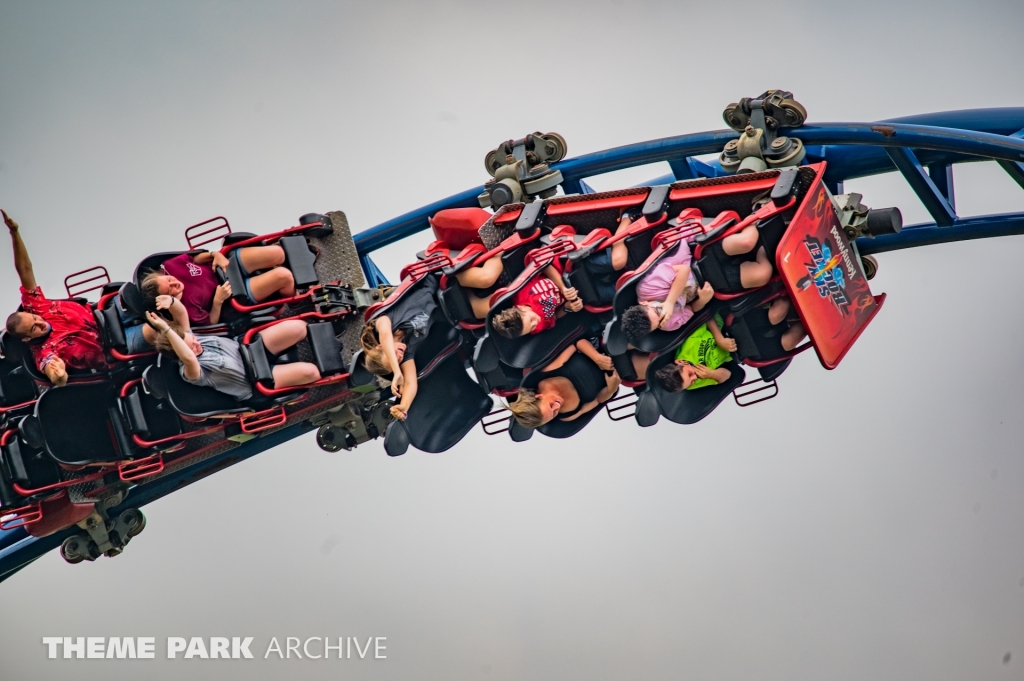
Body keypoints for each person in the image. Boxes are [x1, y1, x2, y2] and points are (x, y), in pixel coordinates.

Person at [3, 209, 109, 386]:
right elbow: (55, 375)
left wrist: (14, 232)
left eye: (35, 319)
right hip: (115, 345)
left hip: (107, 313)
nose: (40, 323)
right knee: (153, 331)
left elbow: (25, 269)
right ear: (27, 339)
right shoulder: (44, 353)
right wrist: (59, 376)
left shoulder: (37, 307)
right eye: (34, 328)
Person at [145, 311, 321, 401]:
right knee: (310, 372)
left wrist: (170, 303)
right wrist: (167, 331)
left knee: (298, 327)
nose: (197, 344)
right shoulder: (190, 372)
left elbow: (181, 312)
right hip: (255, 381)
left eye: (194, 340)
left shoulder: (190, 336)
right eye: (192, 347)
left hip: (249, 349)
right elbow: (189, 358)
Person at [140, 244, 298, 326]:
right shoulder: (187, 310)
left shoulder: (170, 266)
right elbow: (211, 322)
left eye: (169, 280)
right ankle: (296, 301)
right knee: (284, 276)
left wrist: (214, 255)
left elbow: (194, 259)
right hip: (232, 294)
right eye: (171, 289)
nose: (174, 283)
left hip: (226, 266)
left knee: (278, 253)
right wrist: (217, 301)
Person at [360, 275, 443, 421]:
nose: (398, 358)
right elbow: (411, 383)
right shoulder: (407, 350)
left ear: (380, 347)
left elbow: (385, 335)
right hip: (447, 301)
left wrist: (397, 372)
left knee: (485, 279)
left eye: (392, 357)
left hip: (437, 277)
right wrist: (404, 406)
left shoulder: (385, 321)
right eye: (397, 362)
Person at [620, 239, 715, 346]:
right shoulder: (668, 325)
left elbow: (684, 270)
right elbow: (691, 309)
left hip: (693, 252)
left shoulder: (647, 287)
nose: (664, 314)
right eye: (660, 322)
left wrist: (669, 302)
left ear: (644, 303)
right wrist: (702, 301)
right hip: (707, 282)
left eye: (657, 311)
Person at [506, 343, 620, 428]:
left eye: (551, 406)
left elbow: (576, 344)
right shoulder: (567, 416)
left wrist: (598, 359)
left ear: (538, 396)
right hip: (618, 373)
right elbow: (599, 400)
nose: (557, 407)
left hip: (600, 346)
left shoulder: (546, 373)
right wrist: (611, 389)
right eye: (554, 414)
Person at [491, 263, 583, 339]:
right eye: (532, 328)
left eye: (531, 320)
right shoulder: (537, 328)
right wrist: (567, 307)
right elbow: (554, 317)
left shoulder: (522, 291)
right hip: (577, 290)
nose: (536, 322)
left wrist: (563, 287)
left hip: (562, 269)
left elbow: (544, 265)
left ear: (521, 308)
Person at [654, 314, 736, 392]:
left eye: (689, 374)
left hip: (725, 326)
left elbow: (707, 316)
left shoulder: (689, 344)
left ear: (680, 362)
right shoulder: (692, 384)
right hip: (735, 351)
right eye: (691, 382)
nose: (695, 377)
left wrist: (720, 340)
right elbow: (727, 375)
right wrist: (711, 374)